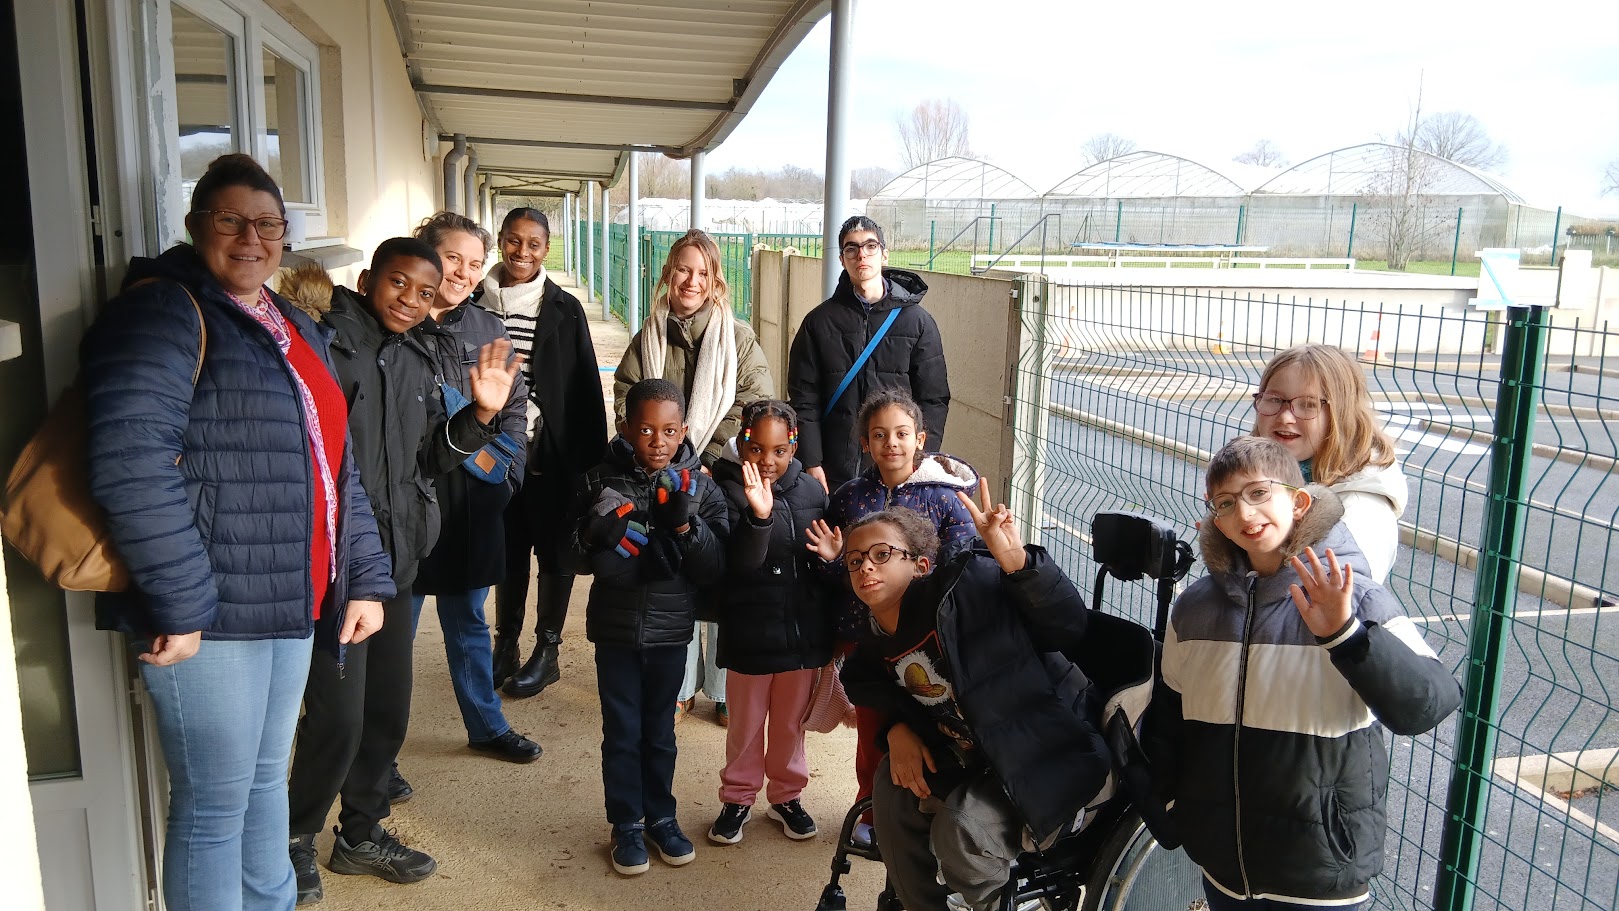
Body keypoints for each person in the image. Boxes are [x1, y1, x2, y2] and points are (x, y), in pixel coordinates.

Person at [82, 153, 393, 911]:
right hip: (211, 613)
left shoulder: (288, 321)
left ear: (285, 234)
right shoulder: (164, 310)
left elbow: (334, 463)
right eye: (230, 220)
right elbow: (129, 460)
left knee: (262, 787)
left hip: (291, 600)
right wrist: (180, 603)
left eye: (267, 223)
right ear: (196, 227)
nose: (251, 238)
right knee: (214, 808)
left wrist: (363, 575)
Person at [284, 238, 521, 900]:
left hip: (397, 562)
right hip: (338, 569)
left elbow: (430, 460)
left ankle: (360, 834)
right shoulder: (327, 346)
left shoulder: (418, 355)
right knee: (337, 718)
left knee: (387, 713)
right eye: (398, 283)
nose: (410, 300)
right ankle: (294, 838)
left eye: (424, 292)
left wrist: (480, 414)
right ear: (367, 279)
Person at [1147, 436, 1461, 910]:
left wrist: (1346, 636)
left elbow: (1426, 706)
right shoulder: (1196, 608)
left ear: (1298, 502)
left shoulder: (1355, 596)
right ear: (1215, 520)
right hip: (1223, 868)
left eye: (1258, 493)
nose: (1245, 513)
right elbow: (1169, 718)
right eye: (1225, 503)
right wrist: (1178, 807)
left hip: (1320, 873)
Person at [826, 489, 1112, 911]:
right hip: (976, 756)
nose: (866, 565)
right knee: (892, 784)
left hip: (1050, 748)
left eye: (882, 554)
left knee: (961, 828)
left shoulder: (968, 591)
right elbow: (867, 683)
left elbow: (1070, 627)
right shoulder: (874, 641)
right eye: (854, 560)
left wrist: (1016, 561)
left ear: (921, 566)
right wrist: (897, 729)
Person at [614, 229, 774, 723]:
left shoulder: (738, 337)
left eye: (703, 273)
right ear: (668, 273)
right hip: (663, 472)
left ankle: (724, 688)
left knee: (724, 571)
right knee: (675, 574)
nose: (691, 280)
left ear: (715, 281)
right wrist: (664, 452)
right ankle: (679, 686)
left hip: (724, 471)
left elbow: (754, 403)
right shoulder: (649, 336)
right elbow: (626, 395)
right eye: (683, 269)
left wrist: (708, 455)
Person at [572, 378, 730, 875]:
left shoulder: (700, 486)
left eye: (668, 430)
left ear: (683, 430)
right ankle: (625, 823)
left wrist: (687, 527)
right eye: (645, 430)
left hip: (670, 632)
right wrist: (594, 534)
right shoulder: (598, 480)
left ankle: (661, 817)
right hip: (615, 632)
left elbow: (715, 567)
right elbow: (569, 558)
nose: (658, 441)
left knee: (660, 732)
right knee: (622, 732)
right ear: (625, 428)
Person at [408, 211, 542, 767]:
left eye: (473, 262)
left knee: (468, 620)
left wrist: (507, 478)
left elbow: (515, 407)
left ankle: (486, 726)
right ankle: (377, 757)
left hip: (471, 501)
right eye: (451, 259)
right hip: (410, 502)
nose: (463, 273)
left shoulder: (487, 328)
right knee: (390, 636)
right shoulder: (396, 321)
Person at [825, 388, 979, 844]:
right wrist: (833, 562)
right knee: (874, 728)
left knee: (928, 725)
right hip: (866, 637)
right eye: (879, 435)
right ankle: (870, 810)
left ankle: (926, 812)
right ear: (865, 443)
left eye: (901, 433)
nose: (890, 443)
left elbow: (961, 566)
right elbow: (839, 565)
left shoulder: (947, 499)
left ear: (920, 439)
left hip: (927, 641)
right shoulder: (849, 497)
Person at [477, 207, 608, 699]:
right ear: (500, 241)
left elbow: (585, 386)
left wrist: (592, 465)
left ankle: (547, 650)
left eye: (533, 244)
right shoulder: (476, 301)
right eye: (514, 241)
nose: (522, 252)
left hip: (552, 453)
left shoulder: (564, 308)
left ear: (546, 249)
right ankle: (505, 644)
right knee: (508, 548)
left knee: (556, 551)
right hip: (493, 450)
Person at [706, 400, 834, 846]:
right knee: (744, 724)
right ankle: (737, 797)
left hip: (799, 635)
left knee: (789, 724)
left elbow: (819, 558)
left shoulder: (812, 491)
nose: (767, 460)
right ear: (742, 443)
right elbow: (738, 565)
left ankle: (787, 796)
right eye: (757, 449)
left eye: (779, 450)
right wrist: (758, 517)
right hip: (749, 634)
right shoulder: (724, 490)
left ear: (793, 447)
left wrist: (831, 559)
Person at [787, 215, 951, 494]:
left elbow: (933, 399)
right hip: (832, 471)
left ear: (884, 254)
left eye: (870, 246)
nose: (861, 254)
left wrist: (919, 460)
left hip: (896, 468)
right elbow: (804, 397)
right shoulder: (818, 322)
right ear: (842, 259)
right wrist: (812, 461)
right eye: (851, 248)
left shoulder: (918, 323)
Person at [1250, 343, 1408, 582]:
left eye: (1308, 404)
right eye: (1274, 399)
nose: (1285, 416)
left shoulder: (1361, 514)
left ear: (1341, 415)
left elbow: (1342, 596)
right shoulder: (1261, 480)